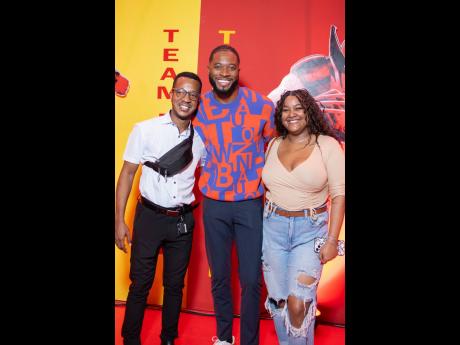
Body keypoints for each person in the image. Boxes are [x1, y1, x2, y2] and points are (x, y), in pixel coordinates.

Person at [192, 44, 276, 345]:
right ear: (209, 69)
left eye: (231, 67)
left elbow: (274, 145)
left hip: (250, 204)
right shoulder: (197, 107)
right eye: (218, 66)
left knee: (252, 280)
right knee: (221, 277)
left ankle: (249, 341)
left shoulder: (263, 106)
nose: (224, 73)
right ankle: (224, 338)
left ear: (239, 70)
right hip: (214, 204)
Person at [115, 71, 205, 345]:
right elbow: (127, 174)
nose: (185, 99)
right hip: (149, 217)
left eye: (192, 94)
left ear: (198, 101)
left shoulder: (202, 140)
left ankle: (168, 339)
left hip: (183, 220)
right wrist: (119, 220)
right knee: (140, 284)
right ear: (171, 93)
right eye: (180, 91)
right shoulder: (145, 129)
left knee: (175, 287)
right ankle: (130, 339)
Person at [261, 89, 345, 345]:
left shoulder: (327, 145)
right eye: (286, 109)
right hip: (273, 228)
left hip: (310, 231)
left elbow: (340, 194)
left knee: (299, 303)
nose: (292, 114)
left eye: (298, 108)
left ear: (309, 111)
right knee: (279, 301)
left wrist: (332, 239)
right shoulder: (274, 144)